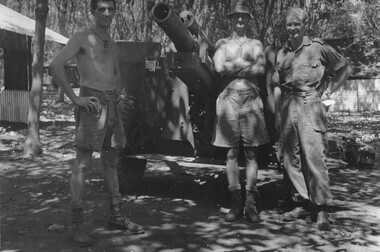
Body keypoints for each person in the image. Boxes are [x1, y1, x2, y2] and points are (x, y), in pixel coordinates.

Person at [49, 0, 144, 247]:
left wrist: (117, 95)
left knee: (112, 162)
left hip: (111, 105)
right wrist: (76, 98)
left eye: (110, 9)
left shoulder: (111, 42)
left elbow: (115, 73)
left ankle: (116, 216)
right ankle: (77, 225)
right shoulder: (82, 37)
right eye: (101, 8)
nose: (106, 13)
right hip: (91, 104)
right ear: (92, 12)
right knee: (82, 165)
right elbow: (55, 65)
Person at [271, 7, 352, 231]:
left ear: (304, 25)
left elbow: (344, 66)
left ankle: (321, 209)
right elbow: (277, 85)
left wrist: (330, 91)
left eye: (297, 24)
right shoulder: (282, 53)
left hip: (310, 104)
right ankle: (302, 203)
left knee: (314, 157)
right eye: (289, 24)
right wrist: (278, 113)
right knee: (290, 159)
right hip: (288, 106)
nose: (293, 28)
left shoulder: (317, 48)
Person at [212, 0, 269, 223]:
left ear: (248, 20)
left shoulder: (256, 44)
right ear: (230, 19)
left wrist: (232, 66)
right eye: (236, 17)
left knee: (252, 152)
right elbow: (218, 67)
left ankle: (250, 203)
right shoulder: (223, 43)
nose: (239, 20)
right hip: (228, 99)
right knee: (231, 153)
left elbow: (261, 67)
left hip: (251, 98)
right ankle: (235, 202)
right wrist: (245, 65)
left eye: (243, 17)